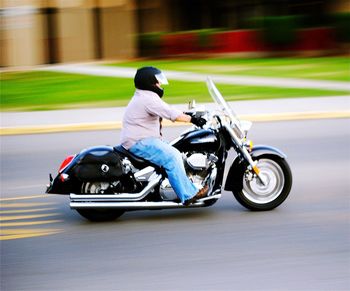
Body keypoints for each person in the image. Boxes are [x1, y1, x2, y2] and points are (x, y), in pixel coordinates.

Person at [120, 66, 208, 205]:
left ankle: (182, 183)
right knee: (172, 156)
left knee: (179, 150)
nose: (160, 84)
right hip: (139, 142)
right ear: (149, 82)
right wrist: (193, 119)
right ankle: (188, 194)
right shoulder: (147, 99)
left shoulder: (145, 96)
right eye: (157, 82)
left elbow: (167, 109)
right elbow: (170, 113)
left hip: (142, 140)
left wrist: (188, 114)